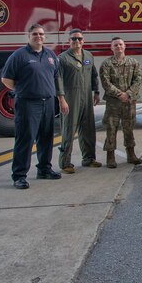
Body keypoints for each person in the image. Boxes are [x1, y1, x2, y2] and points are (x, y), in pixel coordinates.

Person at [1, 23, 61, 189]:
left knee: (46, 138)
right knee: (25, 139)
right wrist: (21, 90)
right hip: (28, 103)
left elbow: (55, 76)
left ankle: (44, 169)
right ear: (29, 36)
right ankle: (19, 176)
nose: (38, 37)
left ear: (45, 37)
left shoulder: (50, 55)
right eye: (35, 34)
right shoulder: (19, 56)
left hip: (48, 102)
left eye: (41, 34)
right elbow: (6, 79)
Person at [56, 29, 102, 174]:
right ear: (69, 41)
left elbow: (94, 75)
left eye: (79, 39)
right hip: (71, 97)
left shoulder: (88, 55)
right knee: (69, 129)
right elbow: (59, 79)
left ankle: (89, 159)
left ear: (83, 40)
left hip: (87, 97)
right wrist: (61, 99)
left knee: (88, 128)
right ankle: (65, 163)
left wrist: (96, 92)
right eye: (74, 39)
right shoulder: (62, 58)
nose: (77, 41)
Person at [99, 37, 142, 168]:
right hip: (113, 103)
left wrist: (127, 94)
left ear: (125, 46)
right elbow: (106, 83)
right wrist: (119, 94)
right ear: (111, 48)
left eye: (120, 44)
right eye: (116, 45)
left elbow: (138, 80)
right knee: (111, 128)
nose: (118, 47)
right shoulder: (106, 64)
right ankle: (110, 157)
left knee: (129, 128)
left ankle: (131, 154)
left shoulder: (133, 63)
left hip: (129, 102)